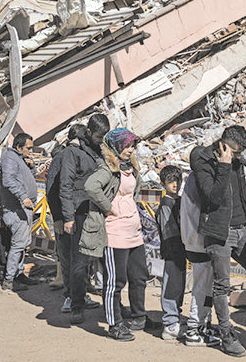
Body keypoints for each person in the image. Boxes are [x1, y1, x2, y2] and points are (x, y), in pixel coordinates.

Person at [191, 125, 246, 357]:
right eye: (235, 152)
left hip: (243, 230)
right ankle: (227, 334)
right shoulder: (204, 161)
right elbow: (213, 197)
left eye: (239, 153)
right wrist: (223, 165)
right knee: (222, 284)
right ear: (223, 145)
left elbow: (241, 190)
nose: (238, 157)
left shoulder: (237, 159)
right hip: (220, 232)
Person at [83, 127, 148, 341]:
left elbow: (133, 193)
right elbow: (91, 187)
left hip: (134, 233)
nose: (131, 149)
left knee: (138, 277)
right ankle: (115, 324)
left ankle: (139, 317)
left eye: (133, 145)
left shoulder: (130, 167)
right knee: (115, 282)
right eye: (128, 145)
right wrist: (108, 207)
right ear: (117, 145)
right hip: (115, 233)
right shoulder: (107, 168)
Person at [57, 114, 109, 324]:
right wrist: (67, 217)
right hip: (80, 214)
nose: (101, 140)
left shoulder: (103, 152)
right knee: (79, 263)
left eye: (104, 137)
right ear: (89, 132)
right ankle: (77, 305)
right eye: (98, 137)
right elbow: (65, 186)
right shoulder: (72, 152)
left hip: (101, 214)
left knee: (108, 262)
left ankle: (111, 305)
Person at [46, 124, 101, 313]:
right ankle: (70, 296)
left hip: (81, 215)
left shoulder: (89, 155)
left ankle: (80, 293)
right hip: (67, 217)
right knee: (68, 257)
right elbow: (52, 190)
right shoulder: (63, 157)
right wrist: (58, 218)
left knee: (81, 258)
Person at [179, 170, 220, 347]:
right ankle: (194, 329)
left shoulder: (192, 179)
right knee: (201, 288)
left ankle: (204, 324)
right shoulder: (200, 181)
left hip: (194, 241)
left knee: (206, 287)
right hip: (199, 242)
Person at [0, 133, 39, 292]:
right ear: (18, 146)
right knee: (18, 245)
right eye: (28, 148)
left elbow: (26, 178)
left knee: (22, 245)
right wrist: (23, 197)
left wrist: (31, 167)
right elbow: (8, 180)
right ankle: (9, 280)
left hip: (23, 209)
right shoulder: (10, 158)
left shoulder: (19, 159)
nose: (30, 150)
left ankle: (19, 274)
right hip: (16, 209)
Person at [155, 165, 187, 341]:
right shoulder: (166, 204)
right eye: (170, 182)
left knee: (178, 287)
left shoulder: (180, 200)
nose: (175, 185)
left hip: (180, 251)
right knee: (171, 286)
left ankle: (175, 318)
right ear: (163, 184)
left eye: (178, 181)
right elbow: (169, 232)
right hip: (172, 251)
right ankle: (170, 323)